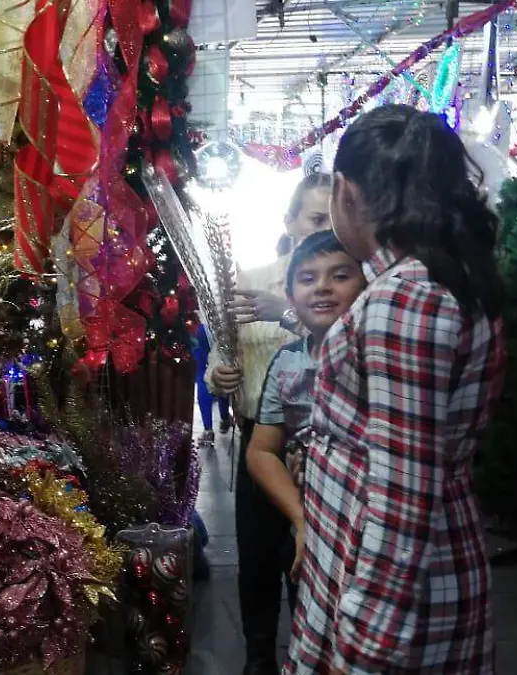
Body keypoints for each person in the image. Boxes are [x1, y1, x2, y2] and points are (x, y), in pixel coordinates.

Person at [287, 105, 505, 675]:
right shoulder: (425, 279)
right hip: (389, 581)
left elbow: (404, 500)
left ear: (345, 192)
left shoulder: (406, 299)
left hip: (395, 604)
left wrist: (363, 651)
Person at [204, 172, 332, 675]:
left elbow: (346, 344)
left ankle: (311, 652)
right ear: (290, 221)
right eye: (315, 218)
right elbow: (221, 348)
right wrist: (219, 376)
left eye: (333, 219)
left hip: (322, 444)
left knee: (312, 561)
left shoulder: (345, 279)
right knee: (256, 558)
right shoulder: (250, 281)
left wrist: (287, 313)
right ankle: (259, 658)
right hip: (260, 439)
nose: (325, 229)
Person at [244, 230, 367, 618]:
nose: (323, 288)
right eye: (308, 278)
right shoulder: (288, 362)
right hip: (311, 508)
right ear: (291, 294)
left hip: (369, 516)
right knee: (310, 608)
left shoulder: (375, 354)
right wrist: (301, 519)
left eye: (341, 275)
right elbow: (261, 450)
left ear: (366, 284)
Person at [193, 322, 232, 444]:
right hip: (220, 323)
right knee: (221, 368)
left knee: (202, 374)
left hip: (197, 324)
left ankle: (208, 430)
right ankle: (225, 419)